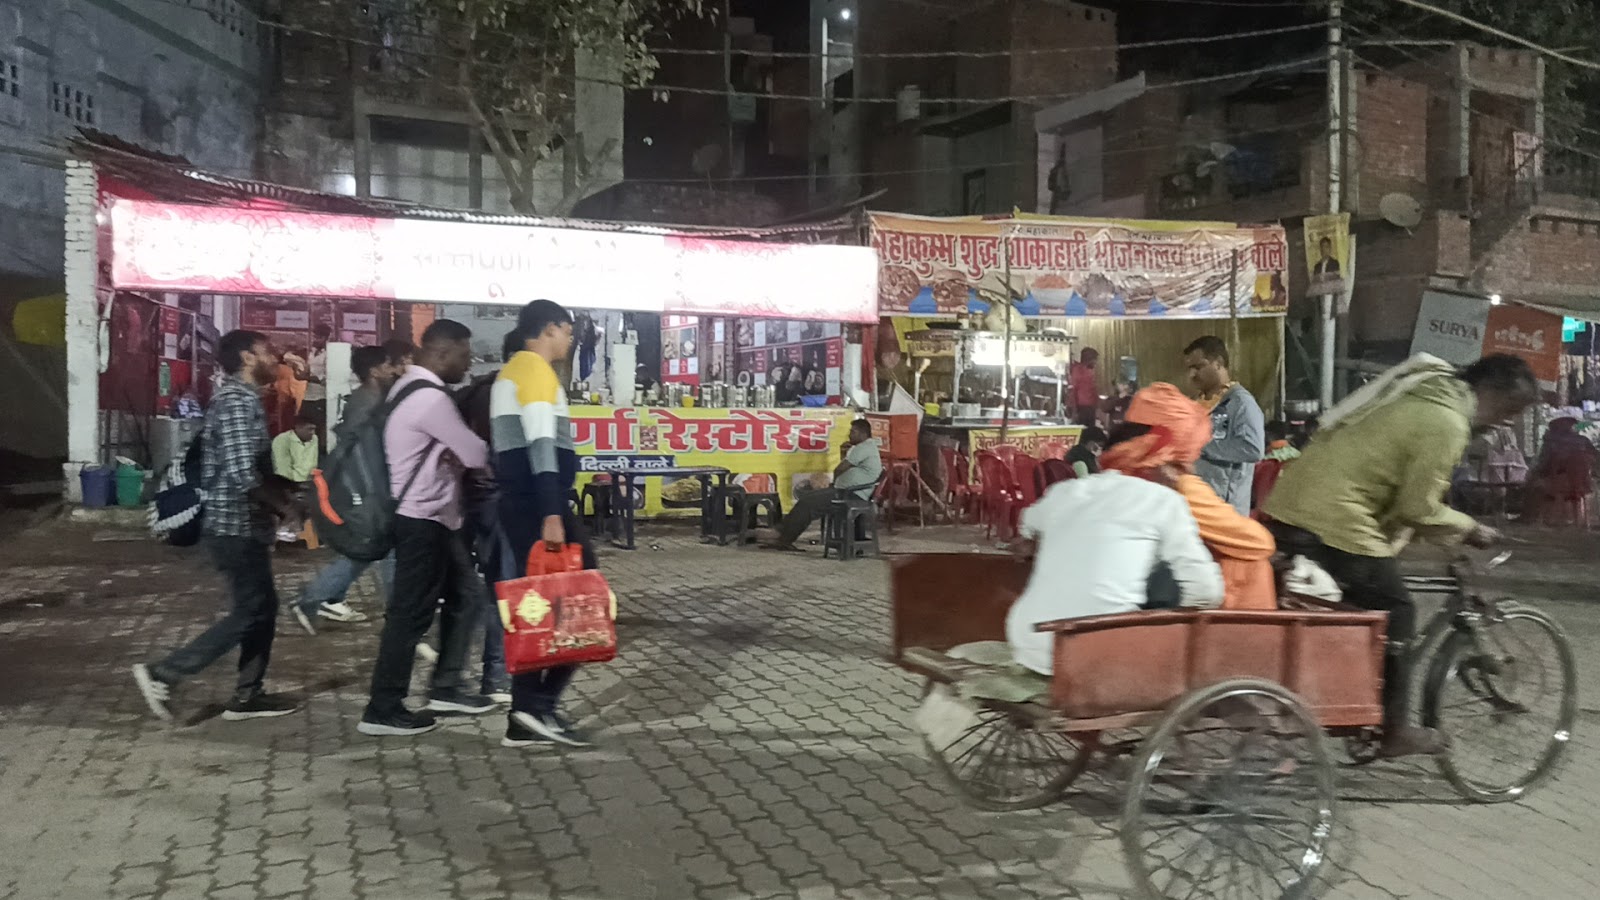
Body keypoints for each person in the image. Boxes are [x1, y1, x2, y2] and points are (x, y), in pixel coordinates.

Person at [1265, 353, 1538, 758]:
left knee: (1356, 610)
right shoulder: (1446, 422)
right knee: (1398, 610)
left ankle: (1344, 704)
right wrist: (1469, 529)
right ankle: (1393, 730)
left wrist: (1438, 533)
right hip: (1333, 521)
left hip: (1288, 507)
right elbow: (1418, 508)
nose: (1506, 422)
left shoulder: (1419, 393)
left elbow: (1393, 489)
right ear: (1489, 391)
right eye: (1509, 410)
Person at [132, 330, 301, 722]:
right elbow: (244, 474)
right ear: (246, 357)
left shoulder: (244, 400)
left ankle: (248, 695)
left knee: (263, 608)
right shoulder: (238, 402)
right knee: (251, 610)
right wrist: (284, 508)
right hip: (233, 524)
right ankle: (166, 672)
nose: (276, 358)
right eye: (267, 351)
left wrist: (285, 496)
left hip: (244, 525)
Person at [359, 320, 496, 737]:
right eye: (464, 356)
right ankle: (382, 708)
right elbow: (474, 452)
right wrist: (467, 452)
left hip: (435, 516)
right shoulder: (431, 399)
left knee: (466, 594)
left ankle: (447, 687)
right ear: (442, 351)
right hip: (421, 519)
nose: (467, 366)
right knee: (410, 614)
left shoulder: (406, 388)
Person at [1006, 433, 1224, 675]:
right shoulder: (1164, 501)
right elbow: (1206, 590)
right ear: (1156, 464)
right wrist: (1169, 622)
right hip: (1100, 650)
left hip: (1029, 640)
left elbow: (1027, 522)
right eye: (1178, 468)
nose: (1181, 479)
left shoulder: (1065, 491)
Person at [492, 299, 594, 748]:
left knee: (546, 604)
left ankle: (530, 711)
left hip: (524, 503)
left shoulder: (514, 369)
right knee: (577, 602)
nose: (570, 341)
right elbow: (541, 445)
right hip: (538, 506)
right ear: (550, 328)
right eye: (568, 333)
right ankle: (533, 705)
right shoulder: (533, 369)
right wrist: (552, 512)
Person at [1100, 383, 1277, 611]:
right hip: (1152, 615)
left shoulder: (1112, 471)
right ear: (1186, 441)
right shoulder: (1174, 483)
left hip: (1111, 597)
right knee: (1251, 564)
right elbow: (1258, 542)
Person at [290, 342, 410, 629]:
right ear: (373, 371)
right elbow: (365, 451)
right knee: (379, 548)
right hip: (370, 489)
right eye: (388, 365)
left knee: (368, 550)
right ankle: (397, 614)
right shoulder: (369, 403)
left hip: (371, 488)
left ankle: (320, 597)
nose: (393, 370)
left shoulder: (369, 398)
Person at [768, 419, 882, 551]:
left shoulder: (864, 447)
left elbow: (840, 469)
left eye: (853, 432)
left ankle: (784, 537)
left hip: (851, 494)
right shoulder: (863, 447)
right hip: (844, 491)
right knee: (807, 498)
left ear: (863, 433)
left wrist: (835, 483)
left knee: (808, 502)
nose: (850, 435)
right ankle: (782, 534)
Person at [1184, 335, 1264, 515]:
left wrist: (1202, 446)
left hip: (1226, 513)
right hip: (1196, 509)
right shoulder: (1193, 404)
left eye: (1198, 367)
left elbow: (1252, 449)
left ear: (1218, 363)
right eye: (1189, 368)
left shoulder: (1240, 403)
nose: (1192, 375)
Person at [1525, 416, 1597, 525]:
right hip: (1582, 483)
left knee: (1532, 483)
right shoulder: (1583, 440)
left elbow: (1544, 463)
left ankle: (1536, 518)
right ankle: (1580, 520)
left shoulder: (1551, 441)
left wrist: (1534, 473)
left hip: (1558, 483)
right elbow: (1595, 458)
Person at [1251, 421, 1301, 520]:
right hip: (1293, 514)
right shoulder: (1300, 457)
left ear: (1268, 435)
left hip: (1268, 517)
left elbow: (1258, 494)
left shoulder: (1263, 462)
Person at [271, 414, 319, 484]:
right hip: (288, 484)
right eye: (310, 429)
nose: (313, 433)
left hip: (311, 482)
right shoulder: (282, 440)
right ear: (298, 427)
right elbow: (283, 471)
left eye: (314, 429)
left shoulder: (314, 438)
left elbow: (312, 465)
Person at [1070, 348, 1100, 426]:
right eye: (1094, 360)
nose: (1096, 362)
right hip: (1082, 408)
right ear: (1088, 359)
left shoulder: (1089, 371)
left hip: (1091, 408)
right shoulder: (1078, 370)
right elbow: (1073, 391)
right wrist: (1075, 411)